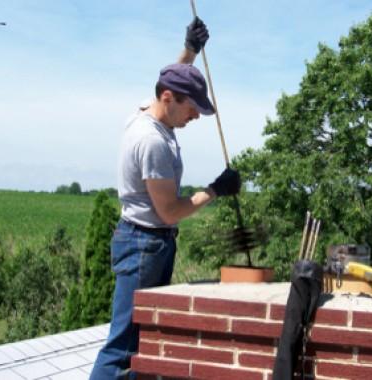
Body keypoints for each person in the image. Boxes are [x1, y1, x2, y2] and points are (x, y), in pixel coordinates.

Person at [89, 17, 241, 380]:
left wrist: (189, 50)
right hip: (144, 246)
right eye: (193, 109)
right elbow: (170, 211)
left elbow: (170, 80)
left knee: (139, 338)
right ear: (169, 100)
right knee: (124, 345)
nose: (196, 116)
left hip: (145, 242)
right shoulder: (152, 141)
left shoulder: (149, 110)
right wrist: (216, 189)